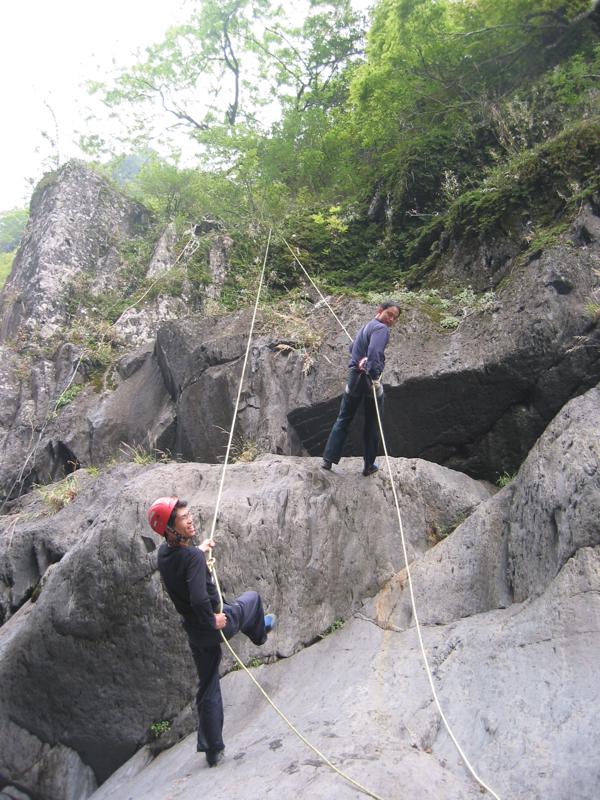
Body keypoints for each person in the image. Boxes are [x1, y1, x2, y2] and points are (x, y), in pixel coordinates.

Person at [147, 496, 276, 768]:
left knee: (208, 684)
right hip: (216, 623)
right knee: (252, 600)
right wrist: (212, 619)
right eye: (183, 518)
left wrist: (199, 551)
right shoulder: (192, 558)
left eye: (189, 514)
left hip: (195, 632)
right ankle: (260, 633)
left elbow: (184, 566)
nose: (190, 520)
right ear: (170, 529)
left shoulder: (165, 555)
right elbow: (198, 598)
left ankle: (212, 749)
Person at [321, 301, 401, 476]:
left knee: (344, 418)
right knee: (372, 422)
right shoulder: (381, 329)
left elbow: (352, 348)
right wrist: (374, 376)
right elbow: (375, 352)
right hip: (368, 379)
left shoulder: (366, 327)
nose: (391, 320)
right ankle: (368, 465)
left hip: (353, 377)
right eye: (389, 314)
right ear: (380, 310)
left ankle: (328, 459)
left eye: (395, 318)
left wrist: (360, 353)